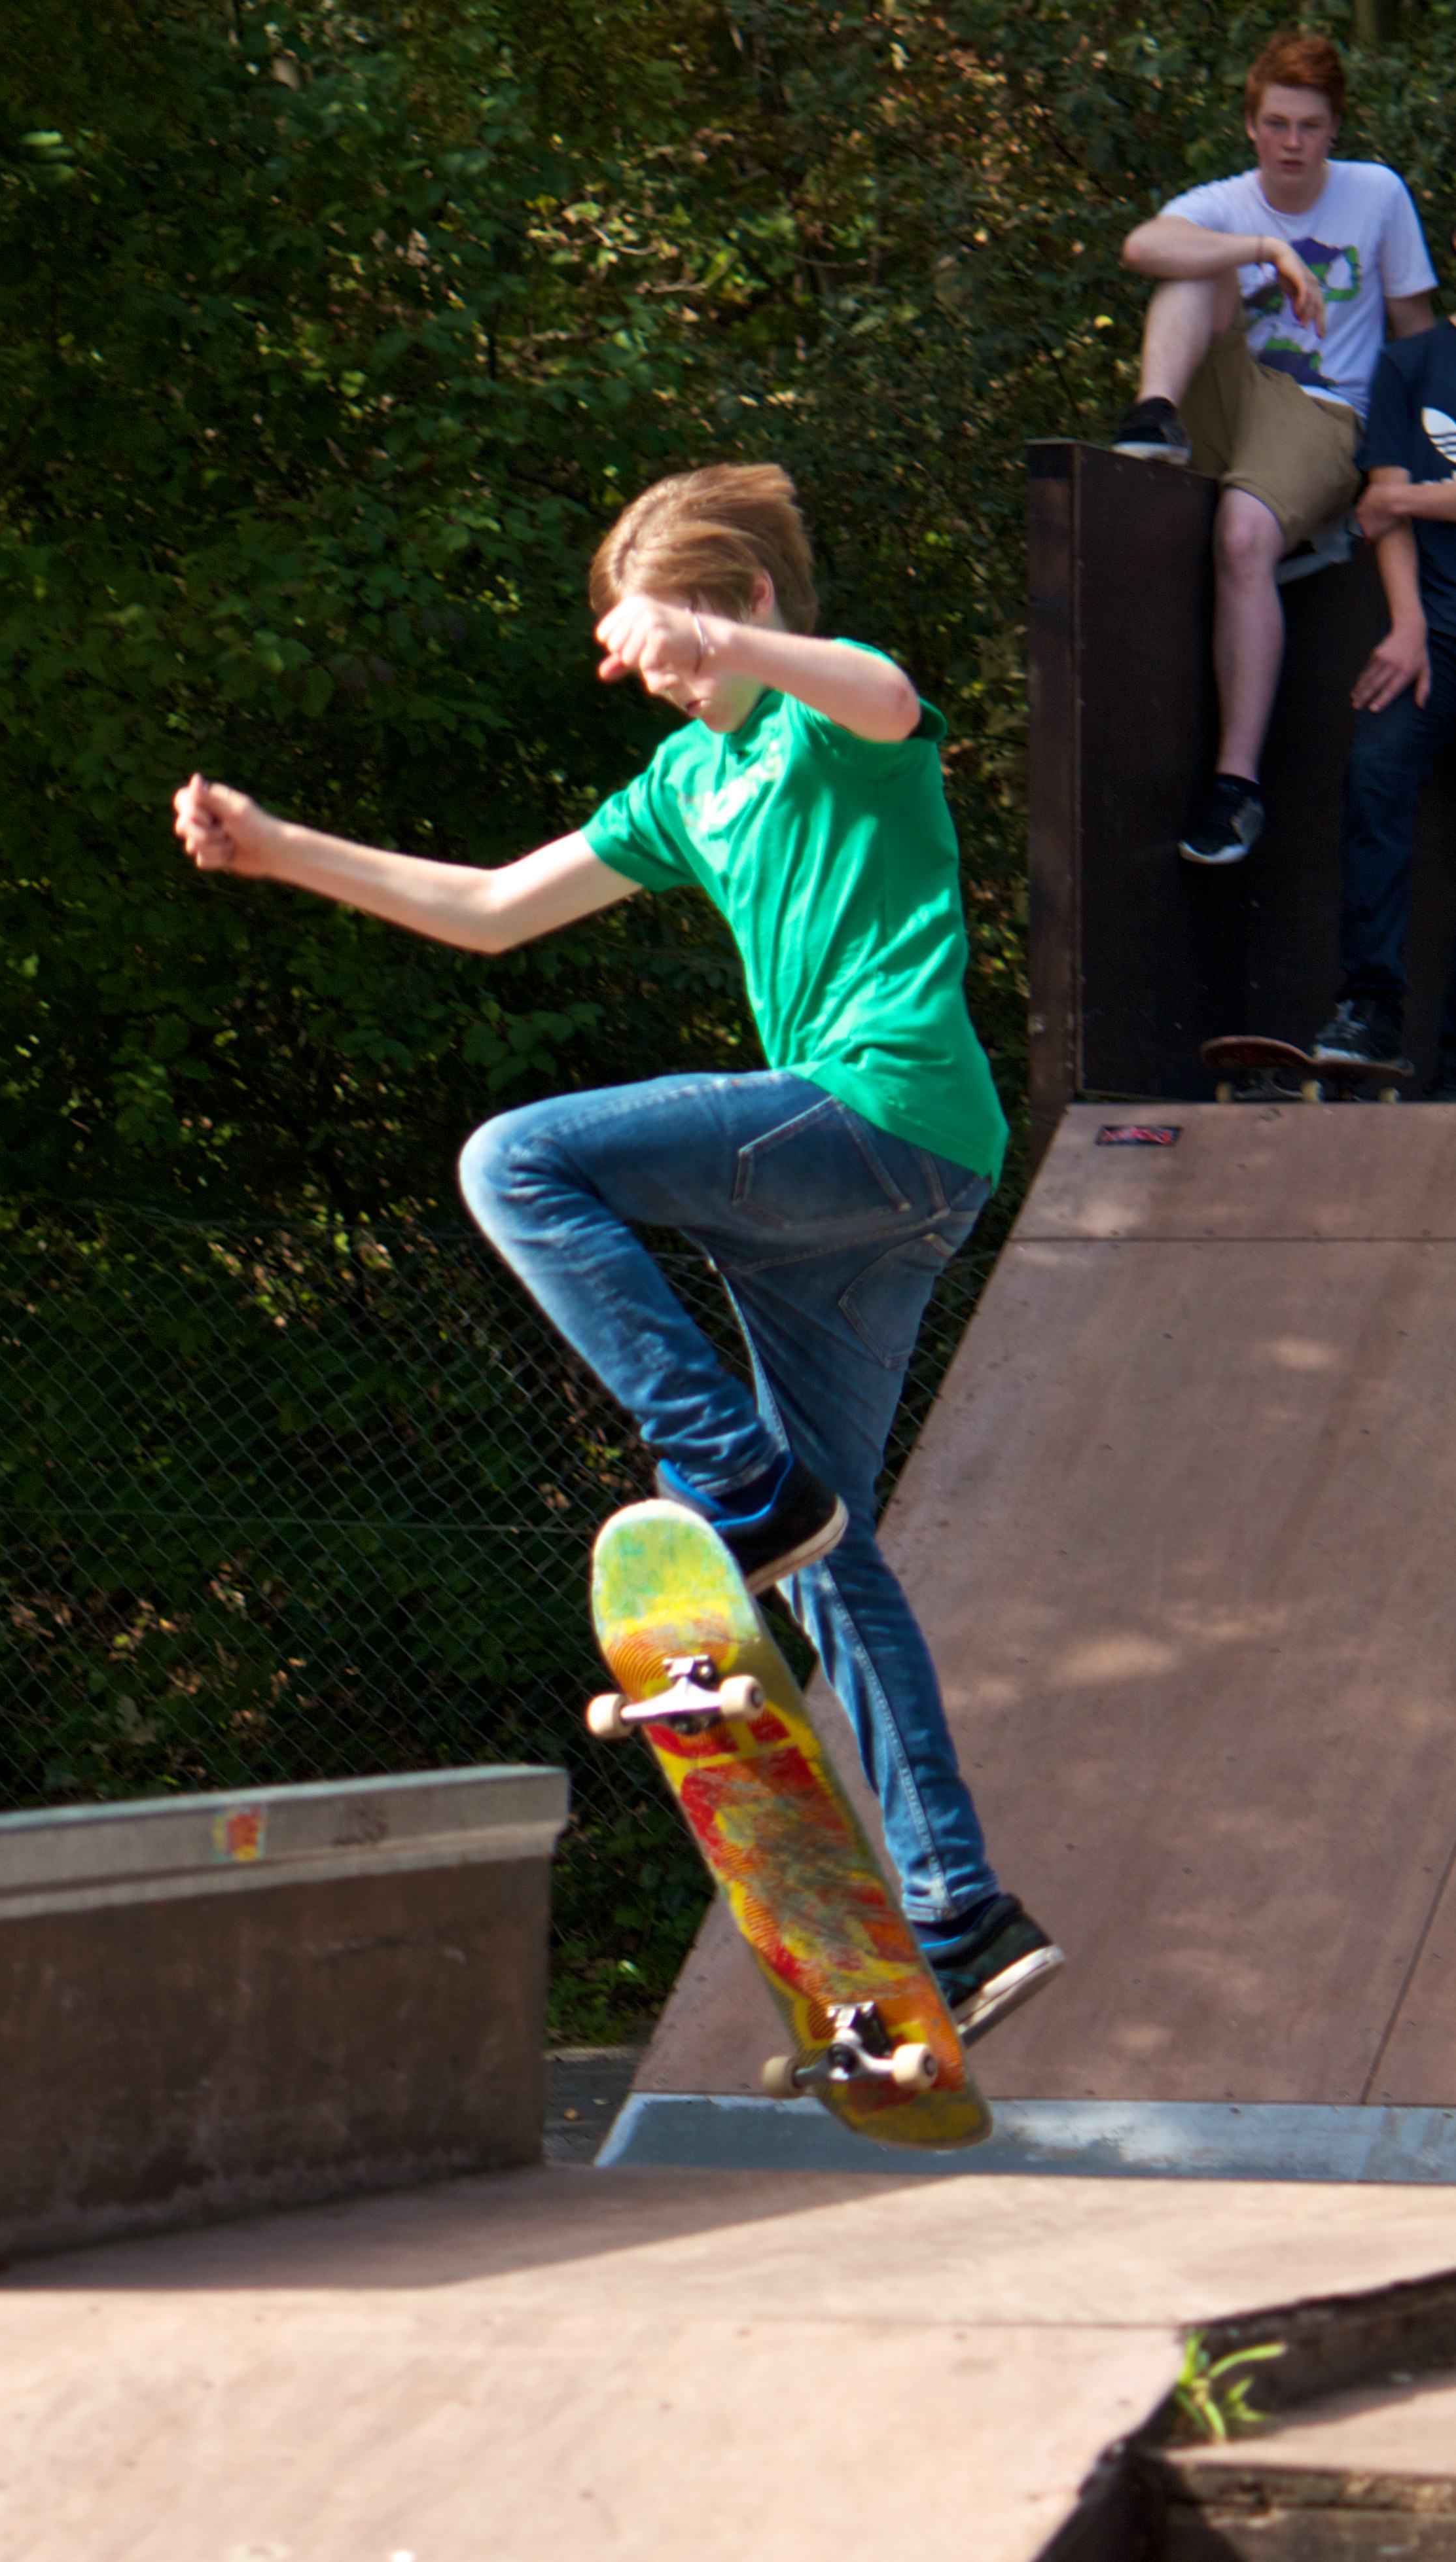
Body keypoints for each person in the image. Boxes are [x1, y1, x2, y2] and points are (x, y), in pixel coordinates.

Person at [171, 463, 1063, 2042]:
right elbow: (493, 907)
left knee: (517, 1159)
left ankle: (730, 1473)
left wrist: (724, 638)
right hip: (870, 1202)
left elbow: (882, 691)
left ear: (747, 606)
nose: (644, 672)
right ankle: (963, 1913)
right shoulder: (682, 783)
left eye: (662, 640)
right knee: (830, 1555)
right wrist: (279, 847)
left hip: (880, 1116)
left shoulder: (836, 722)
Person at [1112, 29, 1436, 866]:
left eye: (1310, 127)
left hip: (1323, 413)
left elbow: (1417, 337)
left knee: (1241, 534)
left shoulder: (1376, 195)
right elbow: (1141, 247)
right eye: (1278, 124)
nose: (1293, 143)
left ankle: (1236, 787)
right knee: (1191, 261)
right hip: (1229, 401)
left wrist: (1421, 461)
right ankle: (1153, 415)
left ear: (1335, 131)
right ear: (1251, 126)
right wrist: (1264, 248)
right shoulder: (1228, 201)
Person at [1305, 260, 1456, 1092]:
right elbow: (1379, 502)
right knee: (1375, 770)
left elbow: (1393, 502)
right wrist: (1407, 625)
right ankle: (1369, 1011)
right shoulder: (1412, 362)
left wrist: (1405, 501)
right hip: (1432, 637)